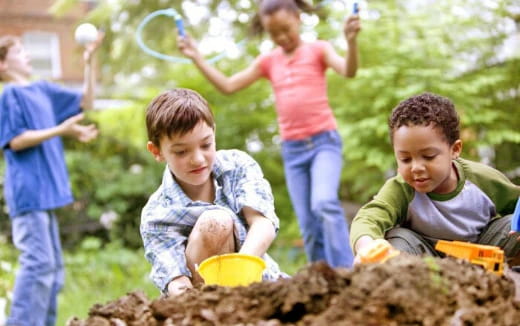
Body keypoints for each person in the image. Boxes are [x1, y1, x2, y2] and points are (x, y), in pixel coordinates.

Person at [177, 0, 361, 268]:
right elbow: (229, 86)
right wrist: (197, 58)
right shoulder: (269, 61)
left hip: (324, 143)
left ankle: (347, 273)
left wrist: (351, 41)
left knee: (323, 203)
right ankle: (321, 278)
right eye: (273, 34)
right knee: (307, 222)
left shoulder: (319, 49)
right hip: (293, 150)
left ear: (298, 19)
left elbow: (350, 70)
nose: (281, 38)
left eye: (286, 29)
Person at [0, 33, 103, 326]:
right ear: (3, 64)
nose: (27, 55)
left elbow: (87, 101)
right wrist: (61, 130)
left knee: (53, 270)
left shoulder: (42, 90)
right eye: (19, 51)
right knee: (38, 266)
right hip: (29, 193)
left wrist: (89, 62)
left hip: (48, 192)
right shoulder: (10, 95)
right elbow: (16, 140)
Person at [140, 88, 284, 296]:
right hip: (202, 300)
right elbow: (175, 279)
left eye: (206, 144)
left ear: (214, 134)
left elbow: (262, 223)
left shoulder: (237, 166)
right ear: (157, 151)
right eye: (181, 151)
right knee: (216, 222)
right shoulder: (157, 213)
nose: (198, 159)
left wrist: (240, 270)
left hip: (256, 286)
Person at [350, 92, 520, 265]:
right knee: (396, 238)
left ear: (455, 149)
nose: (416, 167)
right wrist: (366, 247)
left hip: (481, 256)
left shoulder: (482, 179)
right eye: (405, 159)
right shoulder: (401, 188)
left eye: (429, 156)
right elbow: (369, 217)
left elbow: (516, 202)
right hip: (423, 263)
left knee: (514, 226)